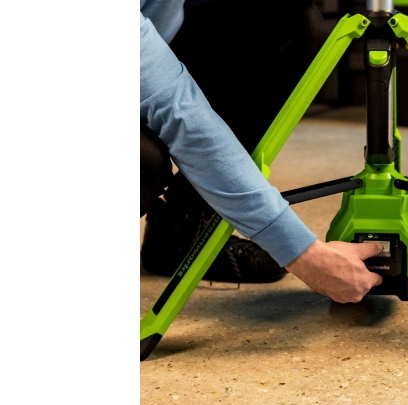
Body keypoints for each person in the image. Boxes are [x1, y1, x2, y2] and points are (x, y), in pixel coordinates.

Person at [140, 0, 382, 303]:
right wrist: (303, 253)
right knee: (142, 164)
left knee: (288, 21)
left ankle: (182, 231)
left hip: (155, 40)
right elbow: (178, 110)